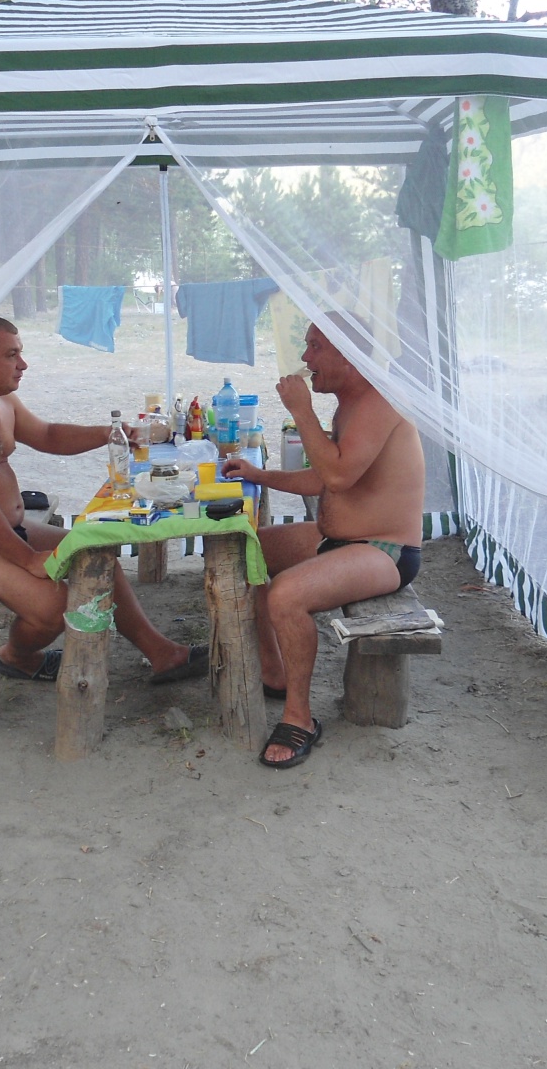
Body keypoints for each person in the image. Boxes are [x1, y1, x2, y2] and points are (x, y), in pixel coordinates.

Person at [0, 315, 206, 684]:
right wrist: (26, 559)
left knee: (95, 554)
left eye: (21, 353)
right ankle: (16, 657)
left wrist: (110, 433)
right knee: (52, 608)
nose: (23, 364)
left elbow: (47, 435)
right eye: (11, 355)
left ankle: (162, 654)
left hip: (4, 526)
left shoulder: (1, 401)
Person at [222, 320, 424, 768]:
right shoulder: (350, 404)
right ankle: (273, 671)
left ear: (349, 354)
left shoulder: (381, 401)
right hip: (338, 539)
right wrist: (260, 475)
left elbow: (336, 475)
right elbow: (322, 476)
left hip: (383, 552)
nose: (305, 358)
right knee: (246, 550)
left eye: (315, 346)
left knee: (286, 595)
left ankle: (299, 716)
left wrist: (301, 411)